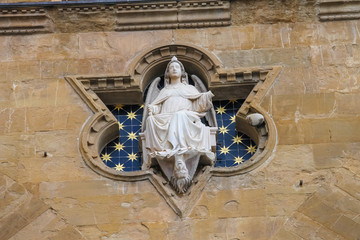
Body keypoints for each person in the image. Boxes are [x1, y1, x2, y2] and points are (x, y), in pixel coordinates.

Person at [143, 56, 215, 193]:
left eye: (177, 67)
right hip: (166, 117)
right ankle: (165, 148)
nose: (174, 69)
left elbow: (198, 105)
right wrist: (153, 109)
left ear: (182, 72)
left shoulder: (189, 88)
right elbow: (157, 106)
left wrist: (206, 96)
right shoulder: (164, 91)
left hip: (186, 117)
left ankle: (178, 147)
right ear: (168, 73)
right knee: (150, 120)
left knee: (179, 115)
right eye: (171, 67)